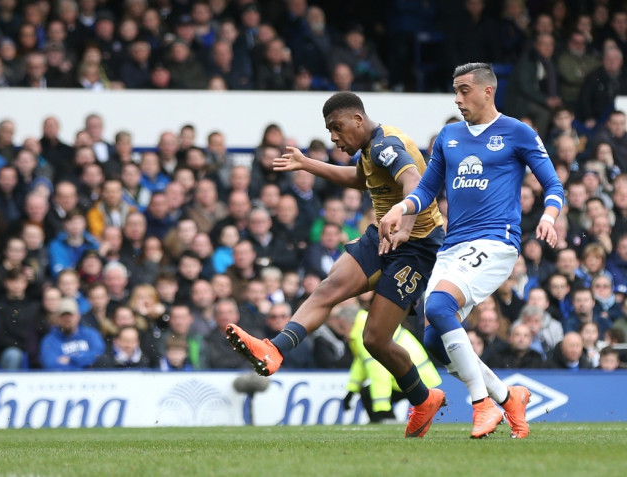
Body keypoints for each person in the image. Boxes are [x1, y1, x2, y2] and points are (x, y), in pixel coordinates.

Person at [226, 91, 447, 438]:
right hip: (384, 234)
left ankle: (423, 399)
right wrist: (306, 163)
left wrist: (405, 226)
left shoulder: (386, 144)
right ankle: (273, 349)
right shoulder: (370, 149)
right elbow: (359, 180)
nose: (333, 137)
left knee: (375, 339)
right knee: (328, 288)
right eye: (329, 130)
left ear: (357, 120)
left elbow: (412, 182)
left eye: (337, 128)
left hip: (415, 244)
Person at [380, 63, 564, 438]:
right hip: (454, 246)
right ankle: (508, 396)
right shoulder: (448, 135)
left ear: (487, 91)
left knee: (438, 307)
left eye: (464, 90)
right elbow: (427, 189)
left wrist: (549, 214)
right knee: (433, 338)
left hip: (496, 241)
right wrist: (401, 207)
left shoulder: (517, 132)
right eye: (455, 90)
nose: (458, 98)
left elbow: (553, 184)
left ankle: (482, 405)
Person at [345, 303, 441, 423]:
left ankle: (386, 421)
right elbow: (361, 364)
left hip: (411, 377)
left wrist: (381, 408)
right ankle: (387, 421)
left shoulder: (364, 334)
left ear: (345, 323)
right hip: (420, 375)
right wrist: (352, 390)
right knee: (368, 393)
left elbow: (379, 372)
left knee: (368, 394)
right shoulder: (371, 325)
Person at [39, 297, 105, 370]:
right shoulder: (49, 341)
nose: (67, 319)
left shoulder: (91, 334)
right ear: (57, 318)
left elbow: (99, 356)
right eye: (64, 316)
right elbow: (51, 365)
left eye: (70, 315)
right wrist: (82, 366)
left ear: (78, 316)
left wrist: (71, 359)